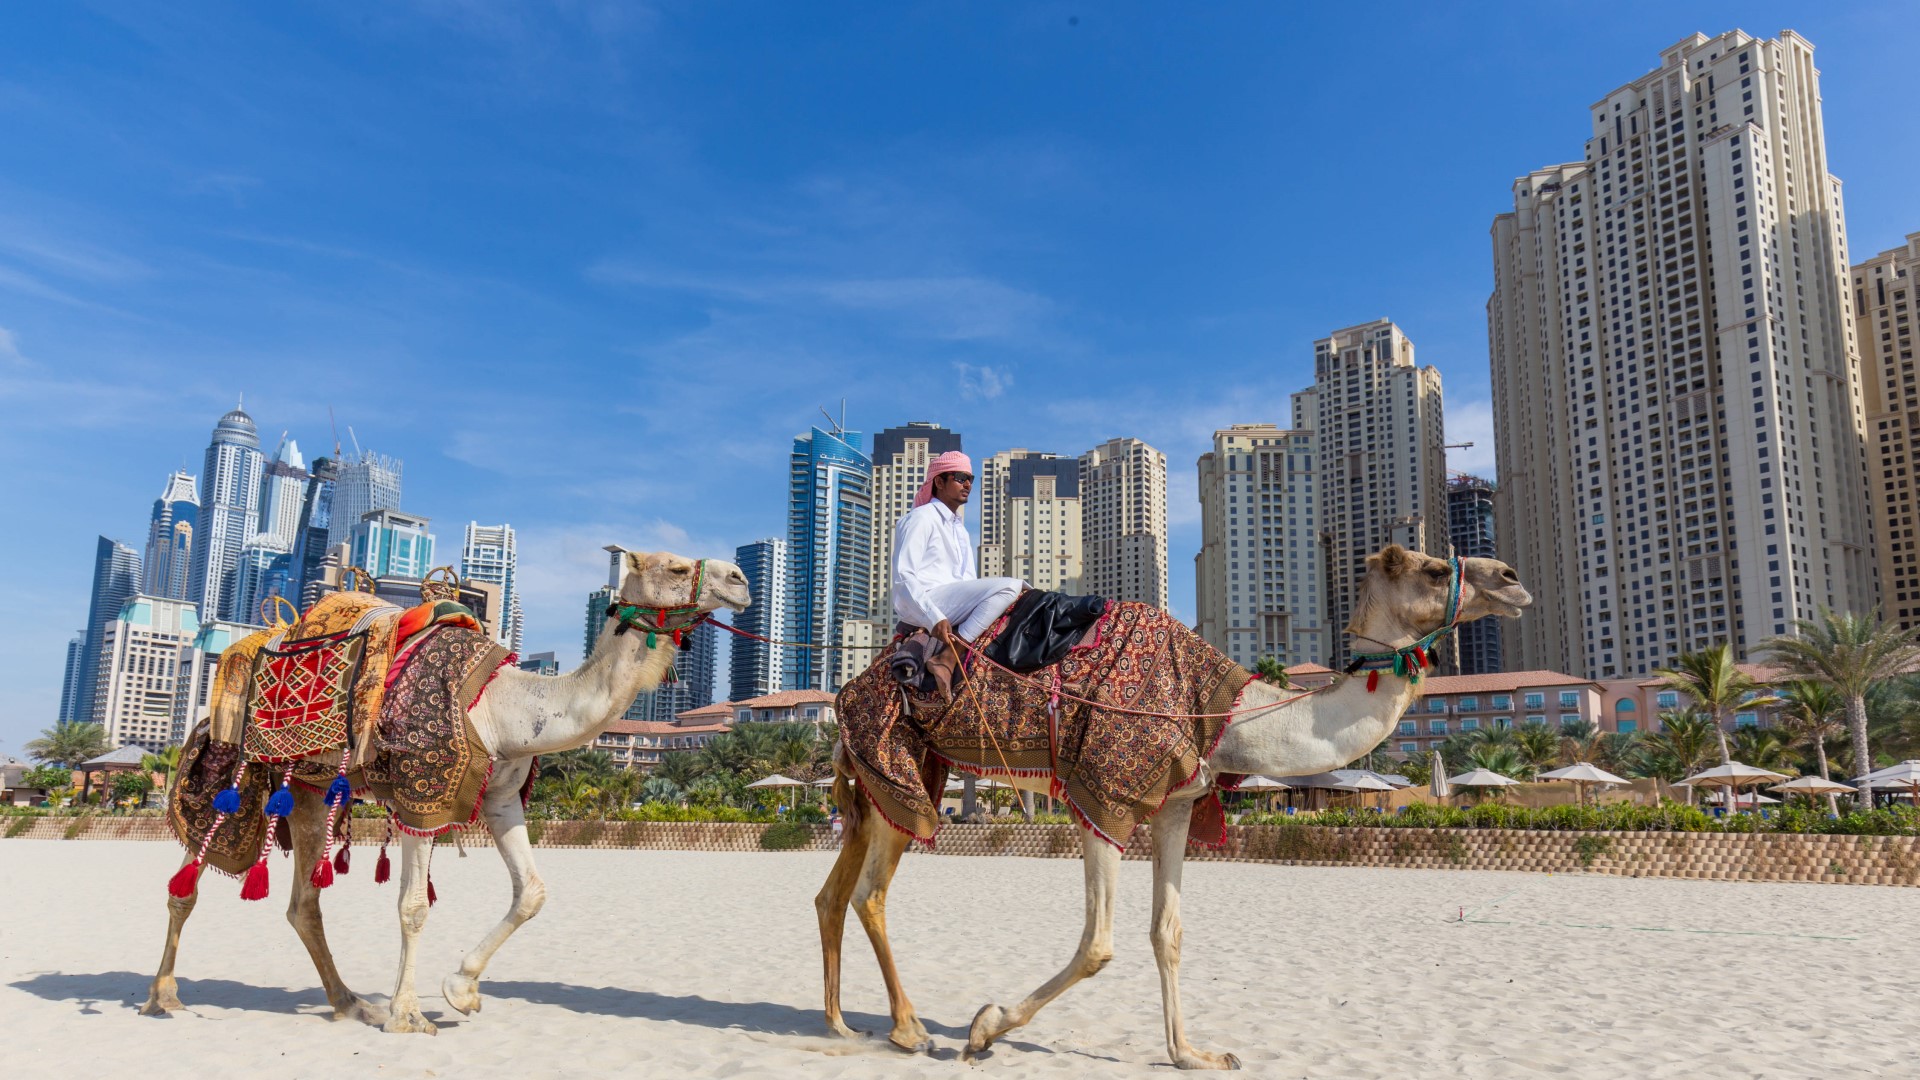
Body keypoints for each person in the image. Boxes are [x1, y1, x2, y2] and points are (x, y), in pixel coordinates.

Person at [891, 451, 1024, 660]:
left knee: (1025, 596)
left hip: (952, 602)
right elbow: (903, 576)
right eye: (961, 478)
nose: (968, 485)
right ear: (939, 482)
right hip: (927, 602)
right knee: (1010, 586)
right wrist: (933, 617)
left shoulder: (960, 529)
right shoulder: (921, 518)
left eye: (970, 479)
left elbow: (968, 581)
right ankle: (949, 657)